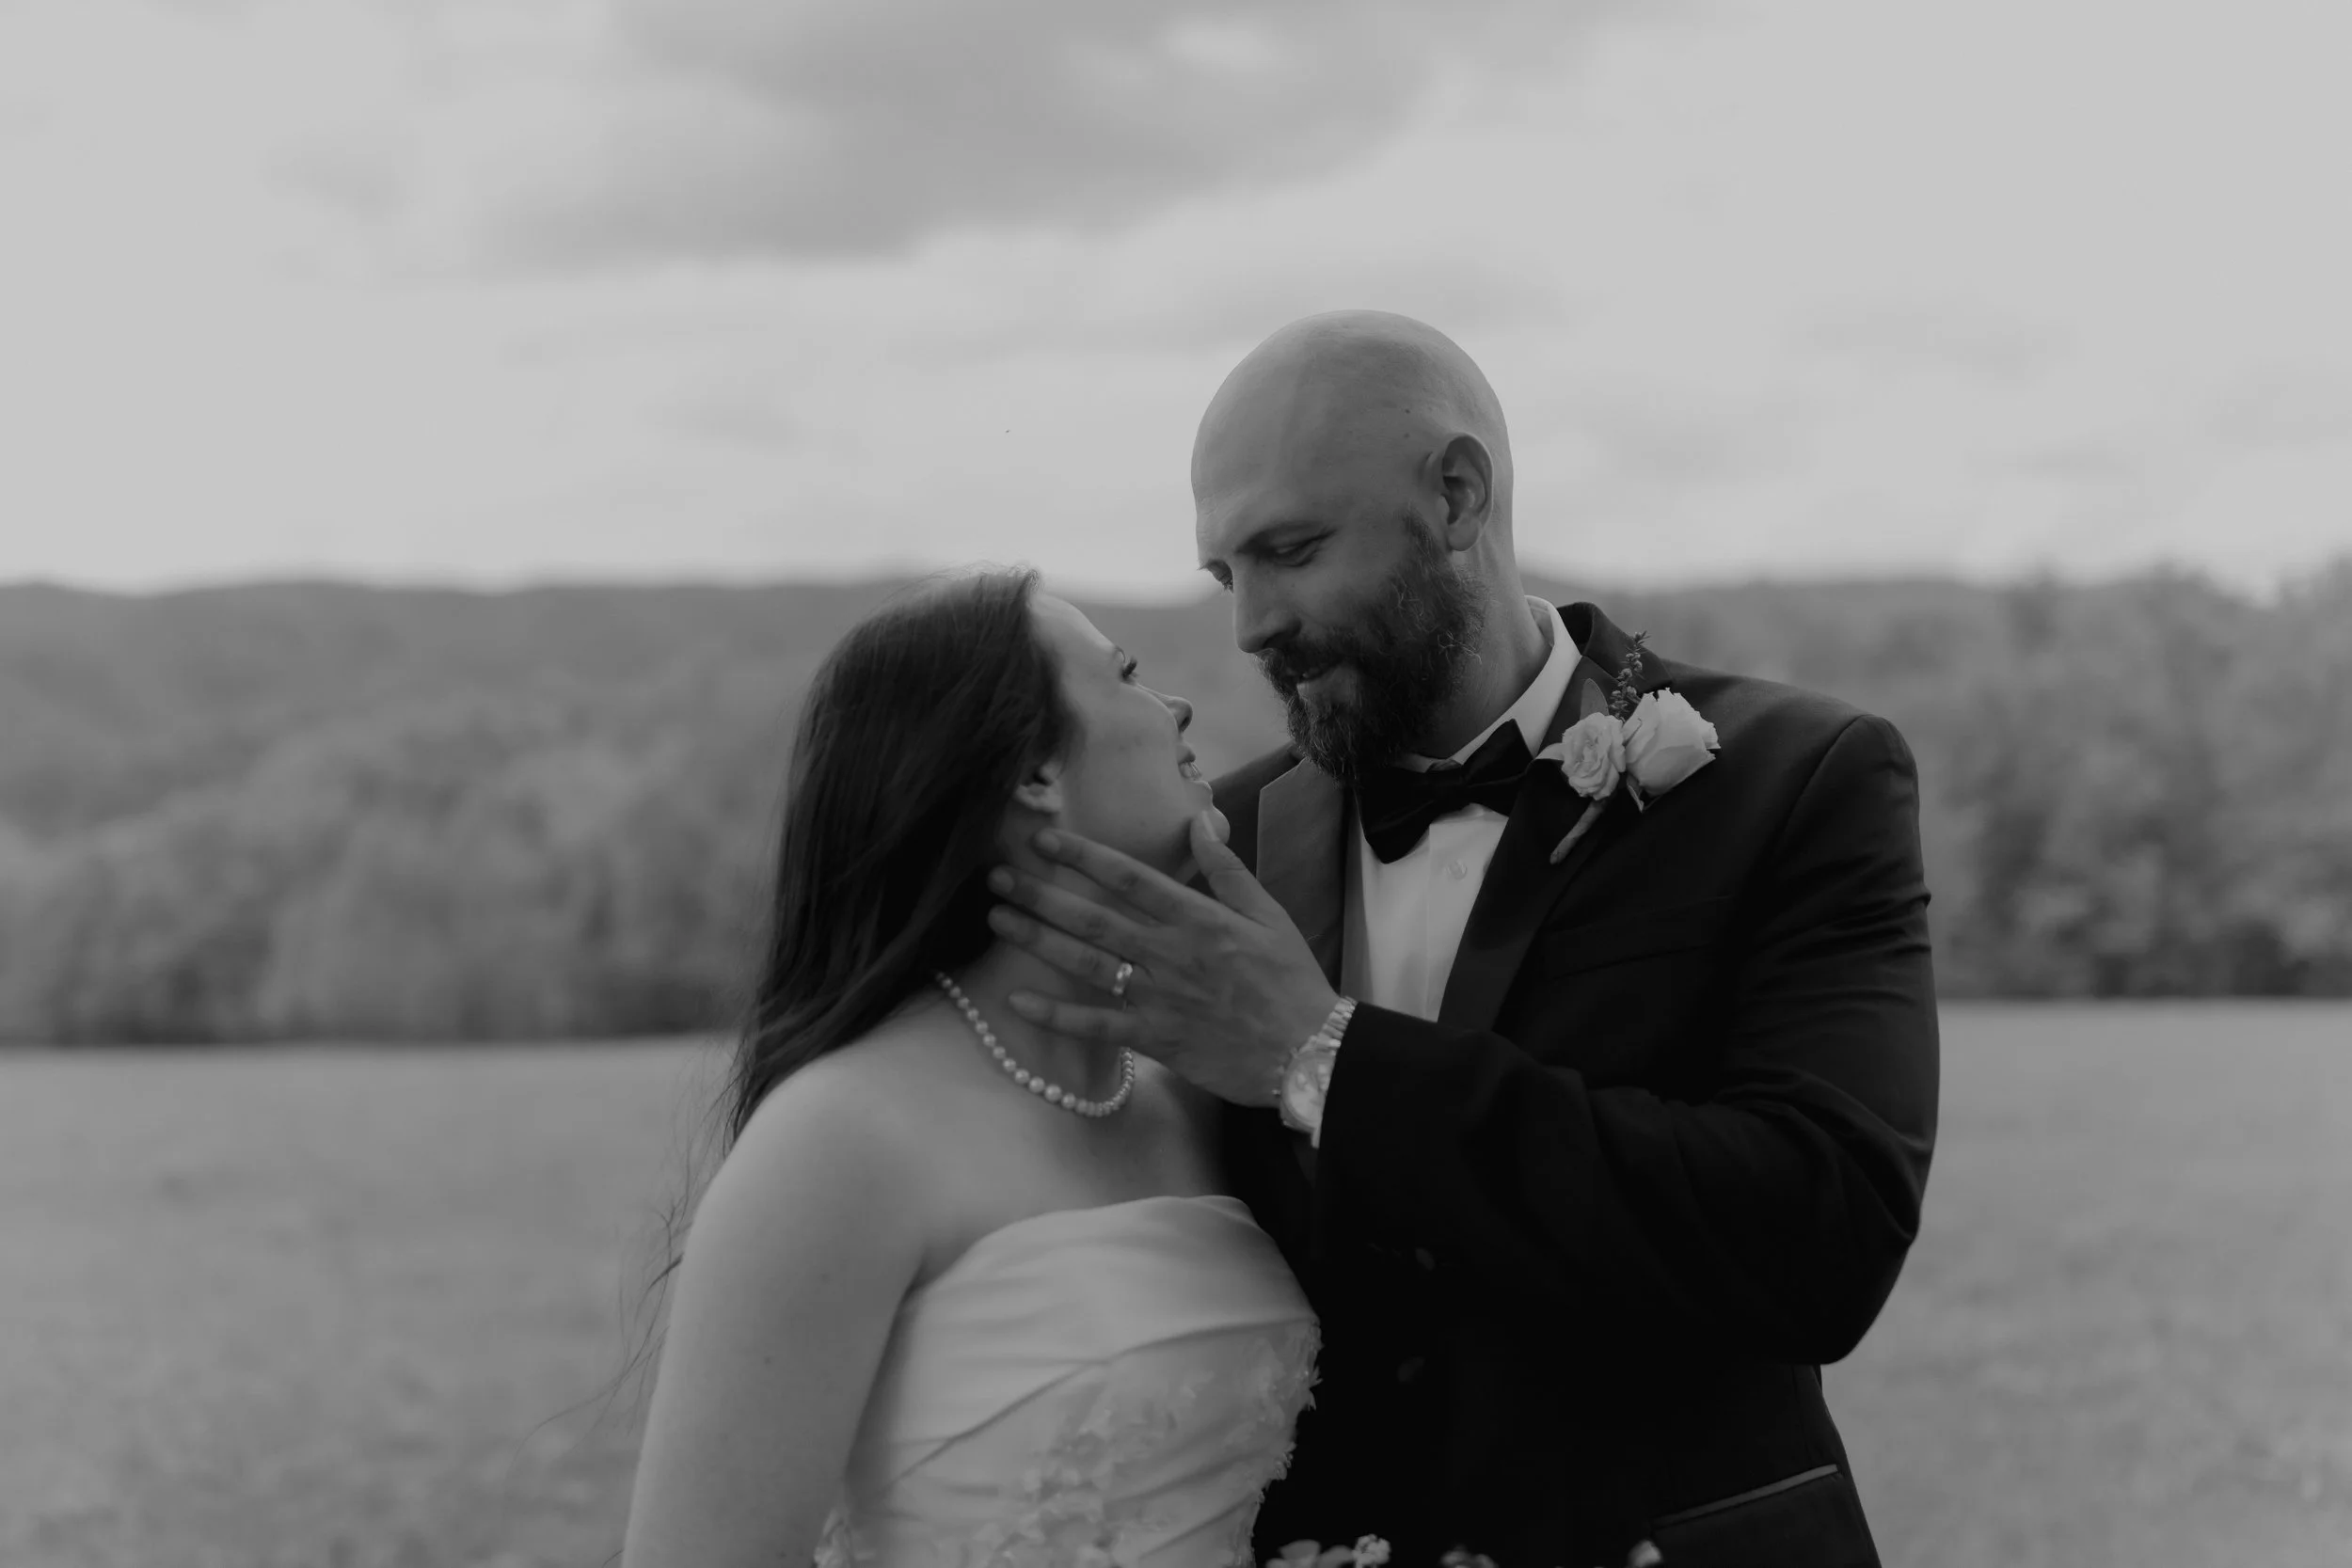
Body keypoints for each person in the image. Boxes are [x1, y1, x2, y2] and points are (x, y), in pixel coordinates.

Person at [986, 311, 1940, 1567]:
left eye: (1291, 549)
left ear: (1456, 494)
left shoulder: (1794, 779)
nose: (1252, 623)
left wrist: (1320, 1054)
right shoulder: (1220, 848)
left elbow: (1821, 1238)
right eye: (1228, 573)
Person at [619, 570, 1319, 1568]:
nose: (1176, 704)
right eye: (1125, 674)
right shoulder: (839, 1138)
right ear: (1033, 770)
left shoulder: (1191, 1099)